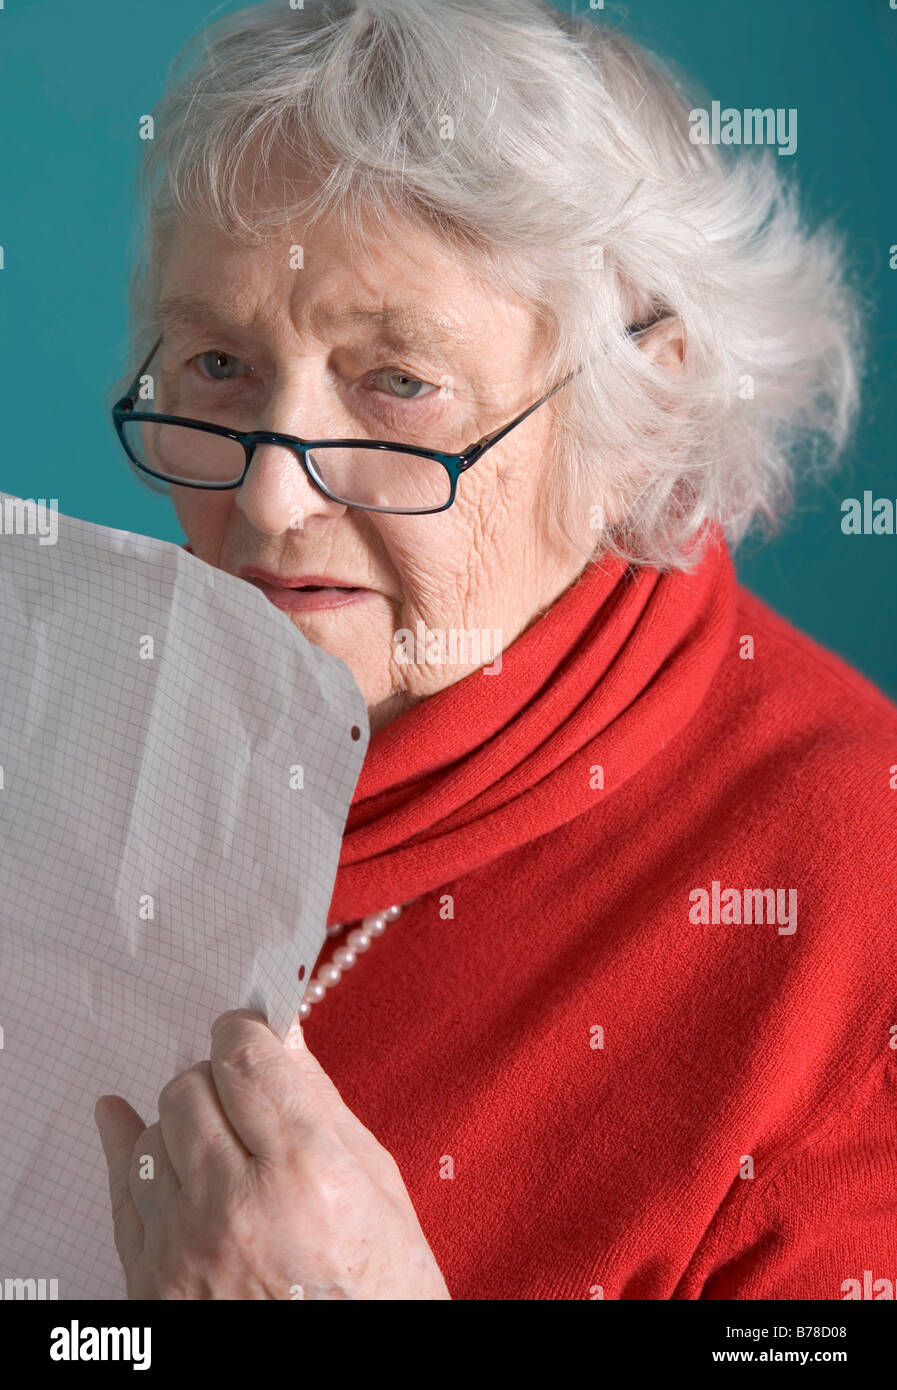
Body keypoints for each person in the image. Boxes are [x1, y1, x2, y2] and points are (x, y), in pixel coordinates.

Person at [95, 0, 897, 1299]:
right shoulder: (82, 721)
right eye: (219, 364)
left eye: (397, 385)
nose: (268, 501)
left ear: (642, 420)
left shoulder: (858, 932)